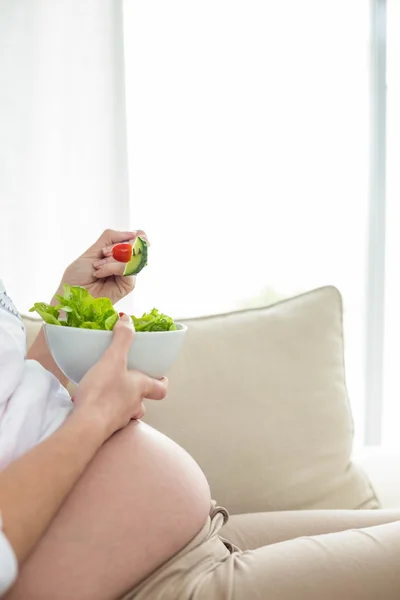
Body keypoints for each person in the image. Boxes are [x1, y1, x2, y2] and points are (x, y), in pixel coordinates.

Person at [1, 229, 400, 600]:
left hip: (195, 537)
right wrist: (95, 417)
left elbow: (15, 414)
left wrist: (75, 307)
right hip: (152, 582)